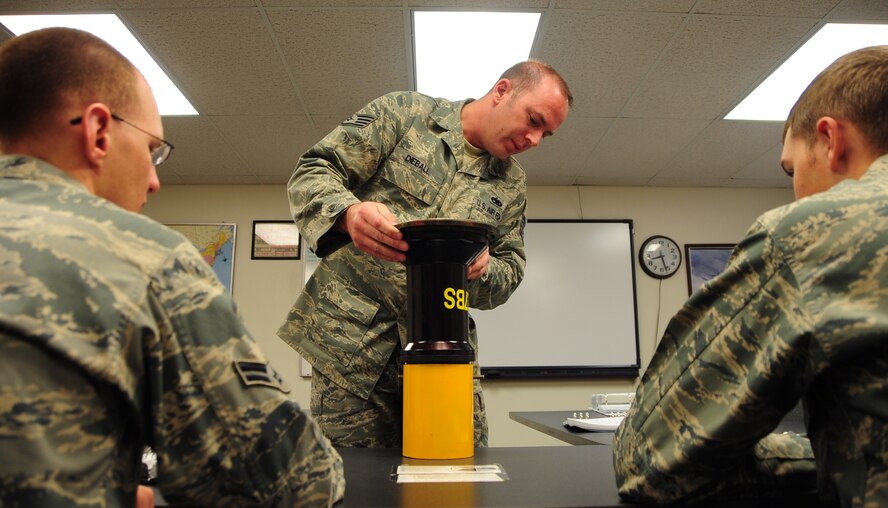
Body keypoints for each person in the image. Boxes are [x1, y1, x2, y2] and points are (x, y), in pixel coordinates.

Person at [0, 28, 344, 507]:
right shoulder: (141, 256)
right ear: (98, 130)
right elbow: (292, 482)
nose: (156, 180)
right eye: (152, 150)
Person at [613, 45, 888, 507]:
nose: (795, 188)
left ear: (830, 139)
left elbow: (649, 459)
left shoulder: (813, 233)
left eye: (791, 168)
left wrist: (816, 455)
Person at [278, 61, 572, 447]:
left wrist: (485, 270)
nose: (534, 139)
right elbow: (314, 170)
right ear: (502, 91)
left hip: (445, 355)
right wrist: (348, 214)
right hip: (353, 349)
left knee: (457, 479)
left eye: (546, 135)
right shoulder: (406, 114)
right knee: (360, 486)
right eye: (534, 120)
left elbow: (511, 269)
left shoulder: (511, 183)